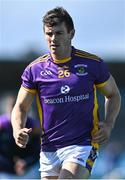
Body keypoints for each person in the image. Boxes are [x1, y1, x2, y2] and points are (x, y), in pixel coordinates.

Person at [11, 7, 121, 179]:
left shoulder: (93, 64)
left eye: (59, 33)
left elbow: (113, 94)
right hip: (49, 148)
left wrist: (109, 124)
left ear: (71, 33)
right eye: (49, 33)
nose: (53, 39)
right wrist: (17, 130)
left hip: (83, 144)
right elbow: (21, 106)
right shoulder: (34, 70)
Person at [0, 94, 41, 179]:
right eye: (12, 107)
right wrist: (12, 166)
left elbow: (38, 150)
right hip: (6, 172)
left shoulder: (33, 126)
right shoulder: (1, 126)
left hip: (29, 171)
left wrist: (26, 162)